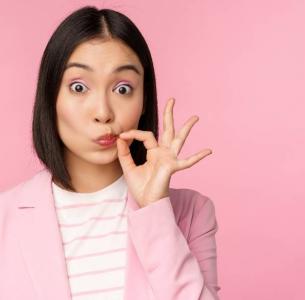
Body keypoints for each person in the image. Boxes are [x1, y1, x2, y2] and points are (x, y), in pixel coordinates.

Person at [0, 5, 220, 300]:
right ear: (50, 97)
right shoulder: (5, 218)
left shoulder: (192, 213)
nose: (103, 113)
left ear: (144, 100)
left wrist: (154, 210)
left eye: (123, 89)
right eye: (78, 87)